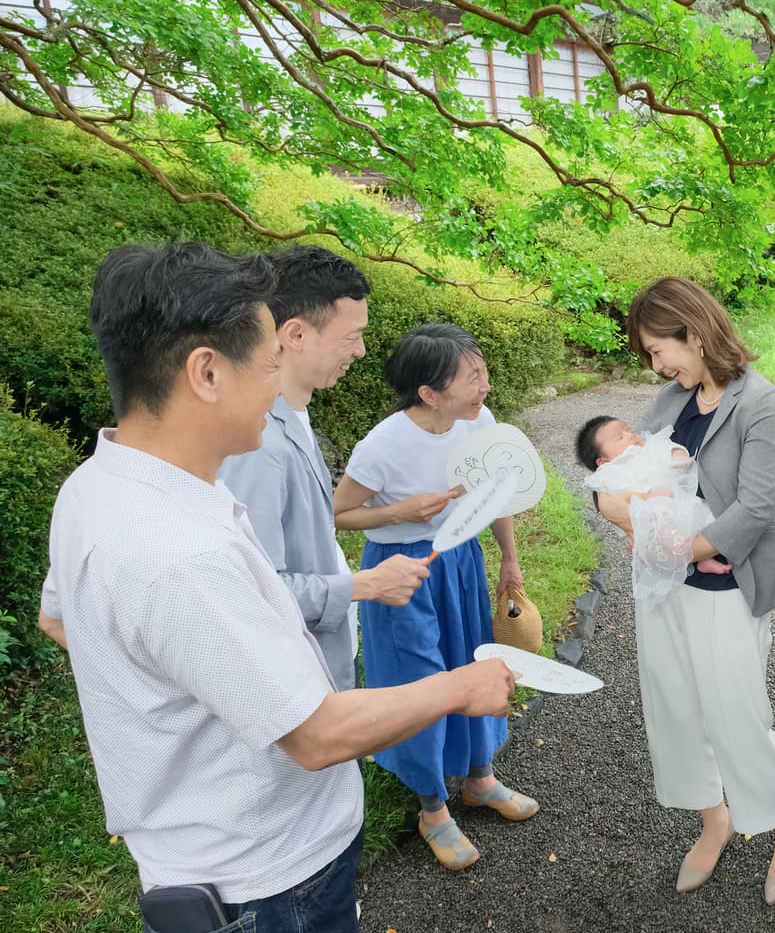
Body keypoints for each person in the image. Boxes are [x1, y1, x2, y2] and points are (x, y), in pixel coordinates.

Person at [39, 243, 514, 931]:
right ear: (207, 372)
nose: (278, 387)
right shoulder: (178, 552)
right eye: (267, 364)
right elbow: (316, 736)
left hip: (212, 855)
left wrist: (176, 699)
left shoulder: (96, 486)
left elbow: (61, 621)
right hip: (265, 878)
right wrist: (461, 688)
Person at [596, 277, 775, 905]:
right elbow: (618, 474)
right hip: (664, 588)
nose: (656, 366)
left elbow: (756, 508)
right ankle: (714, 820)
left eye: (659, 350)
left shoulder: (761, 403)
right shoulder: (671, 399)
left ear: (693, 332)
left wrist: (672, 545)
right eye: (649, 355)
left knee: (737, 713)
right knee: (676, 710)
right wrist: (617, 509)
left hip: (724, 587)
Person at [333, 322, 537, 872]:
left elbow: (496, 496)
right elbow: (339, 512)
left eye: (483, 371)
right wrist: (399, 512)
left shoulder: (479, 423)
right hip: (402, 571)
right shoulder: (383, 445)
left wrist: (509, 559)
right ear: (429, 393)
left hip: (461, 560)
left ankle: (479, 778)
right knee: (420, 677)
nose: (485, 386)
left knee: (472, 664)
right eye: (473, 377)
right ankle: (432, 808)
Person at [217, 246, 427, 690]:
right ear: (295, 334)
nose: (361, 351)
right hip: (294, 679)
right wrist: (364, 585)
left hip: (322, 657)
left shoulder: (293, 415)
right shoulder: (257, 444)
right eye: (351, 337)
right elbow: (254, 593)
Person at [575, 414, 733, 599]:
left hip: (678, 499)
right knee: (659, 532)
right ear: (602, 461)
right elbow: (614, 491)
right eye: (620, 437)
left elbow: (669, 446)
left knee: (707, 517)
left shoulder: (649, 446)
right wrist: (648, 495)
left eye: (629, 430)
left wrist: (678, 455)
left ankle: (703, 558)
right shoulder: (610, 471)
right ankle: (686, 554)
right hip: (649, 507)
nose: (630, 435)